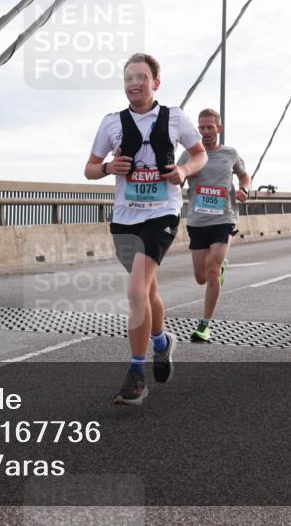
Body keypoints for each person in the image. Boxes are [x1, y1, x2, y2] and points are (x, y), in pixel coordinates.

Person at [85, 52, 206, 405]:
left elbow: (200, 155)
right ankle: (162, 342)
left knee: (136, 290)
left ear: (156, 82)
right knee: (147, 290)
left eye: (141, 77)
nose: (134, 83)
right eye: (128, 79)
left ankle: (137, 375)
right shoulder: (111, 123)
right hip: (124, 217)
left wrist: (183, 171)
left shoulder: (175, 118)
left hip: (161, 214)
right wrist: (109, 168)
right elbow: (90, 169)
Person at [178, 108, 250, 342]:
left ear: (219, 128)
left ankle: (205, 324)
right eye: (202, 127)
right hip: (197, 220)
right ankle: (218, 271)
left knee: (213, 267)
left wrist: (244, 189)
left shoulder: (230, 153)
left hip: (223, 217)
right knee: (201, 276)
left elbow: (244, 175)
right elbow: (177, 178)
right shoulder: (189, 154)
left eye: (210, 127)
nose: (206, 131)